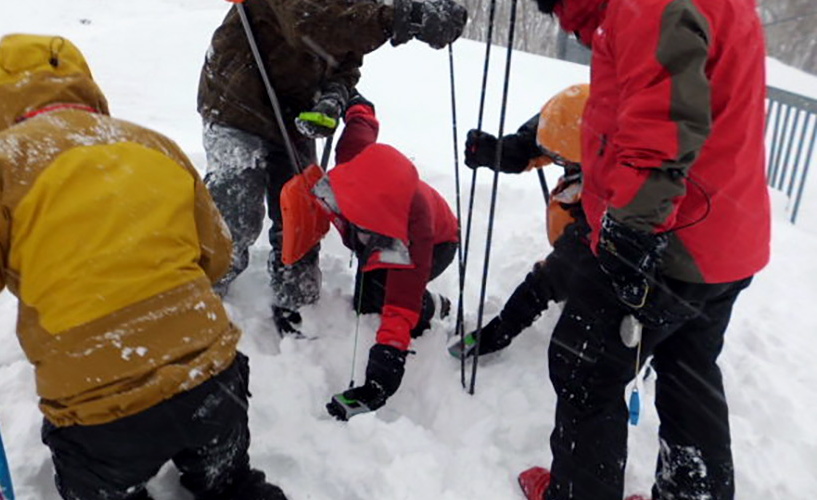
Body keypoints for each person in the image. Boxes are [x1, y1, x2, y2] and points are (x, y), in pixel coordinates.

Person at [0, 34, 286, 500]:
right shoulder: (154, 145)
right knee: (231, 485)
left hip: (101, 409)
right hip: (213, 380)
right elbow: (215, 255)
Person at [513, 0, 772, 498]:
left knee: (585, 370)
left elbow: (661, 124)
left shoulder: (648, 5)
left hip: (670, 239)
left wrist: (631, 231)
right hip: (724, 235)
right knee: (688, 375)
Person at [198, 0, 467, 336]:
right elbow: (310, 22)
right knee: (236, 208)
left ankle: (297, 303)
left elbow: (345, 60)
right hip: (238, 103)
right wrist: (405, 17)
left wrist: (333, 96)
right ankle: (205, 291)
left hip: (292, 111)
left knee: (302, 209)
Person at [282, 93, 458, 419]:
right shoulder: (357, 163)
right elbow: (363, 121)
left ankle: (436, 305)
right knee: (363, 303)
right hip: (384, 239)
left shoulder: (414, 236)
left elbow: (399, 312)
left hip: (437, 244)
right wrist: (351, 100)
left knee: (384, 302)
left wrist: (380, 381)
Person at [448, 84, 590, 359]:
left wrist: (504, 327)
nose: (556, 161)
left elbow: (554, 275)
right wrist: (496, 152)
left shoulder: (617, 195)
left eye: (563, 159)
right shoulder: (581, 115)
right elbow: (533, 143)